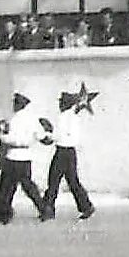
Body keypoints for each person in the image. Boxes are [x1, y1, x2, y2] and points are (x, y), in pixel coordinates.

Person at [43, 90, 96, 220]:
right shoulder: (74, 116)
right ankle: (86, 206)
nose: (60, 104)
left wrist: (47, 136)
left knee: (53, 180)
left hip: (62, 151)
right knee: (73, 181)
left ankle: (48, 209)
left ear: (65, 104)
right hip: (71, 152)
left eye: (61, 102)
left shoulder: (63, 117)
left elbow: (59, 135)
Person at [0, 93, 48, 220]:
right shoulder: (33, 119)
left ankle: (5, 213)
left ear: (18, 105)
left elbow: (11, 138)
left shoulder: (14, 120)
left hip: (13, 155)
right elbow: (41, 136)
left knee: (7, 187)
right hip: (26, 156)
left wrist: (0, 136)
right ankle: (44, 209)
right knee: (29, 186)